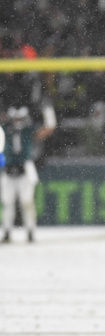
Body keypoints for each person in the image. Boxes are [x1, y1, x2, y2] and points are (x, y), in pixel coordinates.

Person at [1, 104, 56, 243]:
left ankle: (30, 231)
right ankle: (7, 231)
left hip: (25, 168)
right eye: (16, 118)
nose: (18, 121)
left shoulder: (28, 130)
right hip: (8, 168)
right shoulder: (5, 130)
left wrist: (49, 113)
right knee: (8, 202)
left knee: (27, 202)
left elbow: (48, 129)